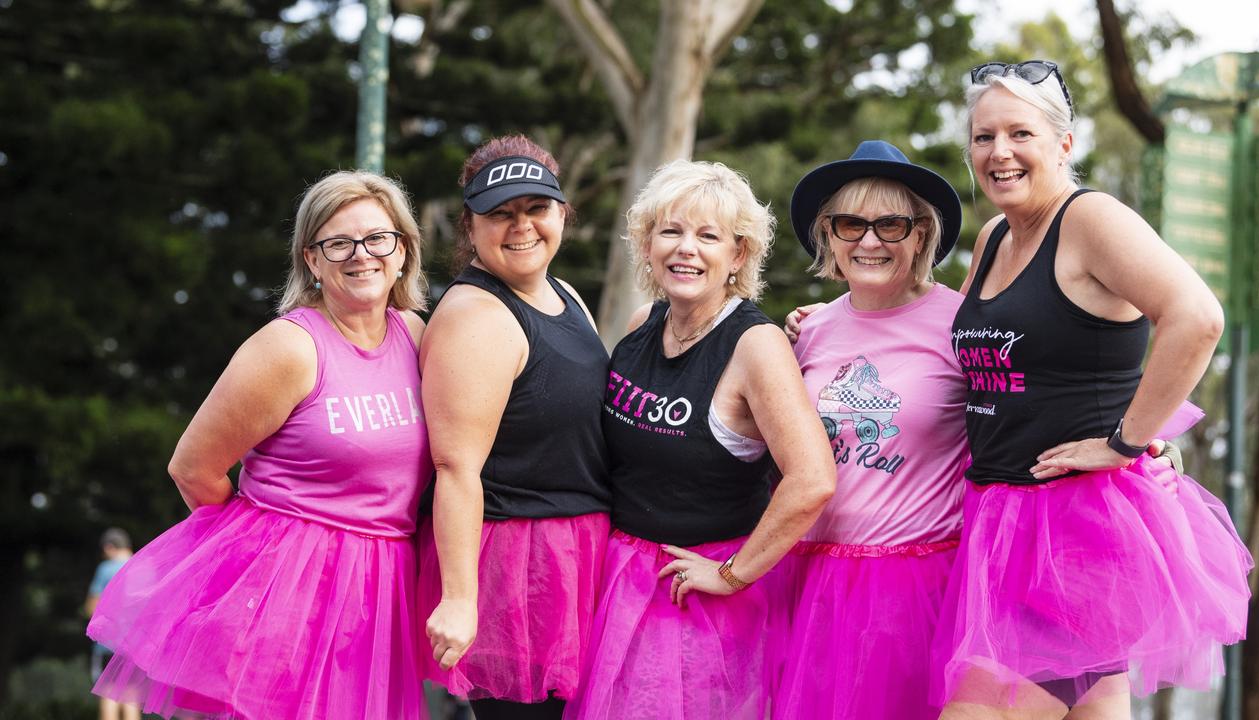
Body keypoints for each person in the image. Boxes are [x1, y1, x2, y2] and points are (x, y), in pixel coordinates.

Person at [931, 60, 1252, 717]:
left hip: (1074, 529)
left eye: (1020, 133)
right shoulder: (995, 237)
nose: (999, 152)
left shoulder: (1091, 221)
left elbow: (1198, 317)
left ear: (1064, 143)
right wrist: (835, 321)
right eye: (983, 136)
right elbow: (948, 341)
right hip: (1001, 517)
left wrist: (1125, 442)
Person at [88, 171, 431, 719]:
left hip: (383, 585)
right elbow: (193, 467)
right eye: (337, 242)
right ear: (312, 260)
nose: (360, 255)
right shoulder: (289, 347)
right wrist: (256, 555)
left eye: (376, 238)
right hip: (291, 592)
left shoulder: (416, 334)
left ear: (402, 250)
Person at [565, 160, 836, 720]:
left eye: (707, 236)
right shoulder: (646, 321)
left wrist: (733, 573)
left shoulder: (755, 345)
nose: (686, 249)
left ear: (737, 255)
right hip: (623, 582)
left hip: (702, 600)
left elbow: (812, 480)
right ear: (646, 243)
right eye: (671, 231)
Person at [770, 140, 968, 720]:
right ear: (827, 235)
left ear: (922, 234)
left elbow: (1033, 403)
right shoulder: (807, 331)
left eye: (891, 224)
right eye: (851, 223)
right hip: (807, 580)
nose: (870, 240)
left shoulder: (964, 323)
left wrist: (1143, 440)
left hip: (914, 586)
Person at [417, 135, 612, 720]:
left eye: (536, 209)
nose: (520, 226)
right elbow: (455, 466)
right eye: (500, 214)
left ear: (562, 214)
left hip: (580, 552)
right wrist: (459, 597)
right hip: (517, 569)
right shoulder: (474, 316)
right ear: (470, 228)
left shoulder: (565, 293)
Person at [86, 528, 141, 720]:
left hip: (108, 644)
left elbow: (92, 607)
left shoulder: (106, 569)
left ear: (109, 548)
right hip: (136, 645)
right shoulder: (145, 569)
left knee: (108, 694)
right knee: (131, 696)